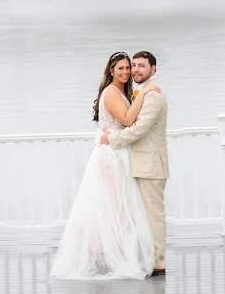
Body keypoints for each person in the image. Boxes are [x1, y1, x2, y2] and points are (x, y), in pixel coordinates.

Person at [49, 51, 161, 279]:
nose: (126, 72)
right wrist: (145, 92)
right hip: (112, 156)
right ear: (111, 70)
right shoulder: (111, 92)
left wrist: (138, 94)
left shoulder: (122, 91)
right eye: (120, 68)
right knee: (114, 206)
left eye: (128, 68)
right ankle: (109, 254)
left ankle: (112, 252)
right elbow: (128, 120)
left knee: (117, 207)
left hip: (118, 151)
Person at [101, 51, 168, 275]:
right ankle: (143, 258)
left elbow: (138, 129)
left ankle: (158, 264)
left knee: (153, 216)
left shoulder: (153, 96)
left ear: (154, 69)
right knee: (136, 215)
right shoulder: (138, 92)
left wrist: (111, 139)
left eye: (141, 66)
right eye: (134, 65)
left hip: (150, 165)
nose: (134, 70)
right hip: (137, 163)